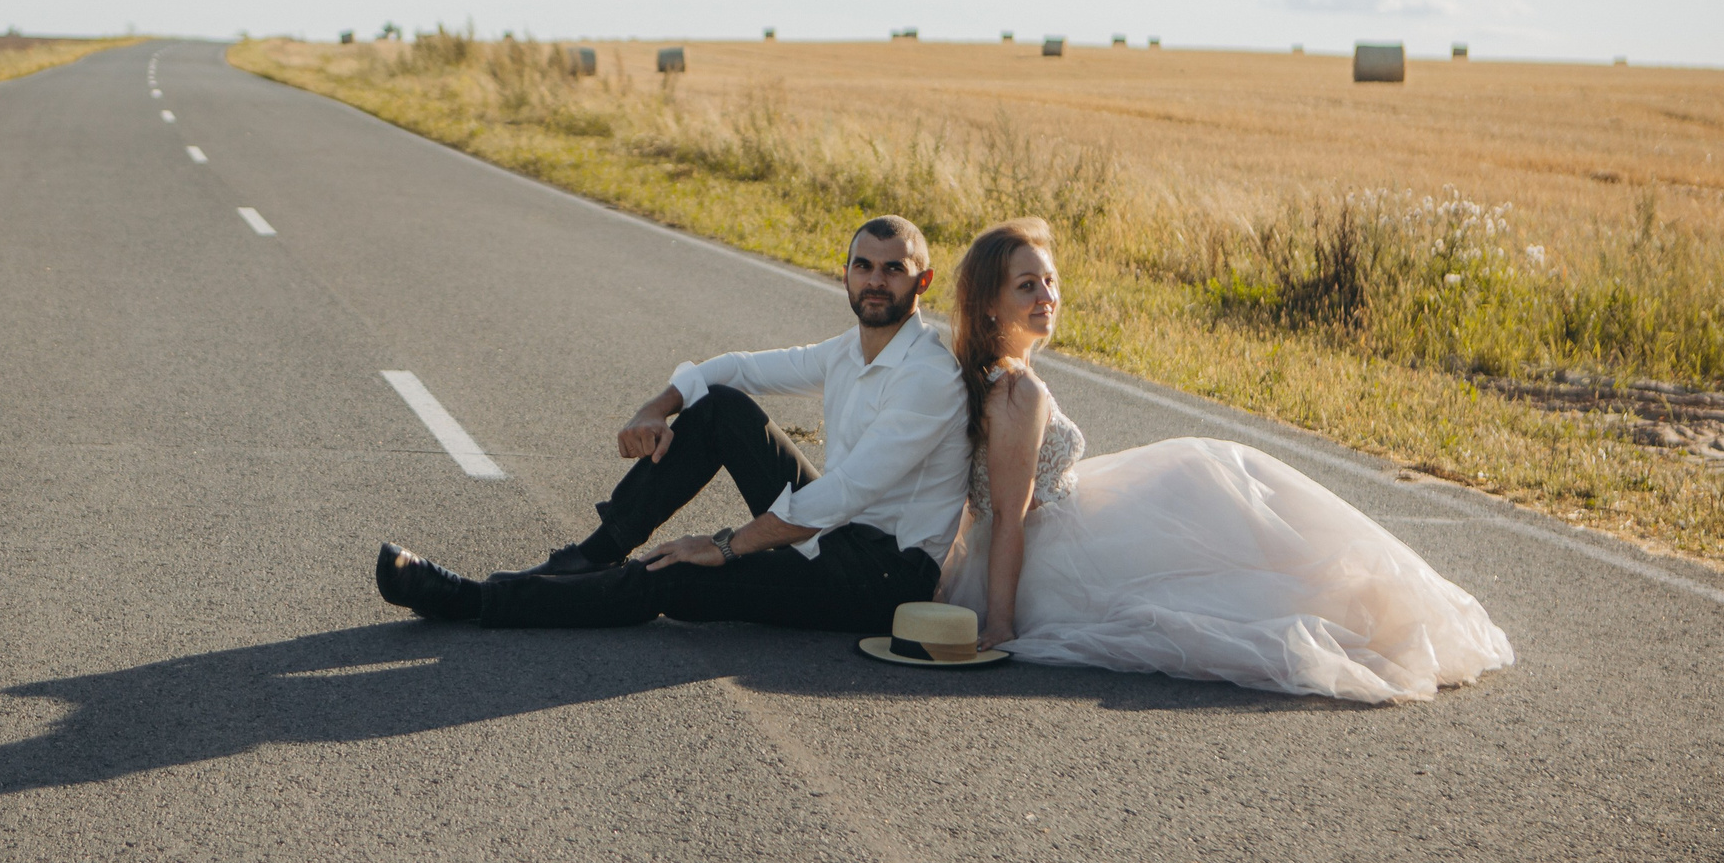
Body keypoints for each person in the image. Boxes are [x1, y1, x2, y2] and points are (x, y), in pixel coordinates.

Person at [937, 216, 1515, 704]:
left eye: (1050, 280)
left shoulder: (997, 376)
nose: (1047, 296)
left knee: (1217, 479)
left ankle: (1358, 599)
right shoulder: (1019, 393)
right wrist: (1002, 622)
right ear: (990, 304)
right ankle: (1363, 608)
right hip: (1051, 552)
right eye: (1026, 286)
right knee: (1219, 498)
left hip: (1054, 526)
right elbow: (1009, 514)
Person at [377, 216, 969, 633]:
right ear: (844, 273)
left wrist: (723, 547)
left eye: (894, 270)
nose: (875, 280)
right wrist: (656, 407)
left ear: (923, 280)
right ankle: (590, 555)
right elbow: (737, 369)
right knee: (721, 405)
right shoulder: (849, 349)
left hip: (880, 577)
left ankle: (476, 600)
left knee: (674, 575)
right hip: (833, 533)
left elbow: (845, 493)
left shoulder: (928, 377)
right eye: (864, 266)